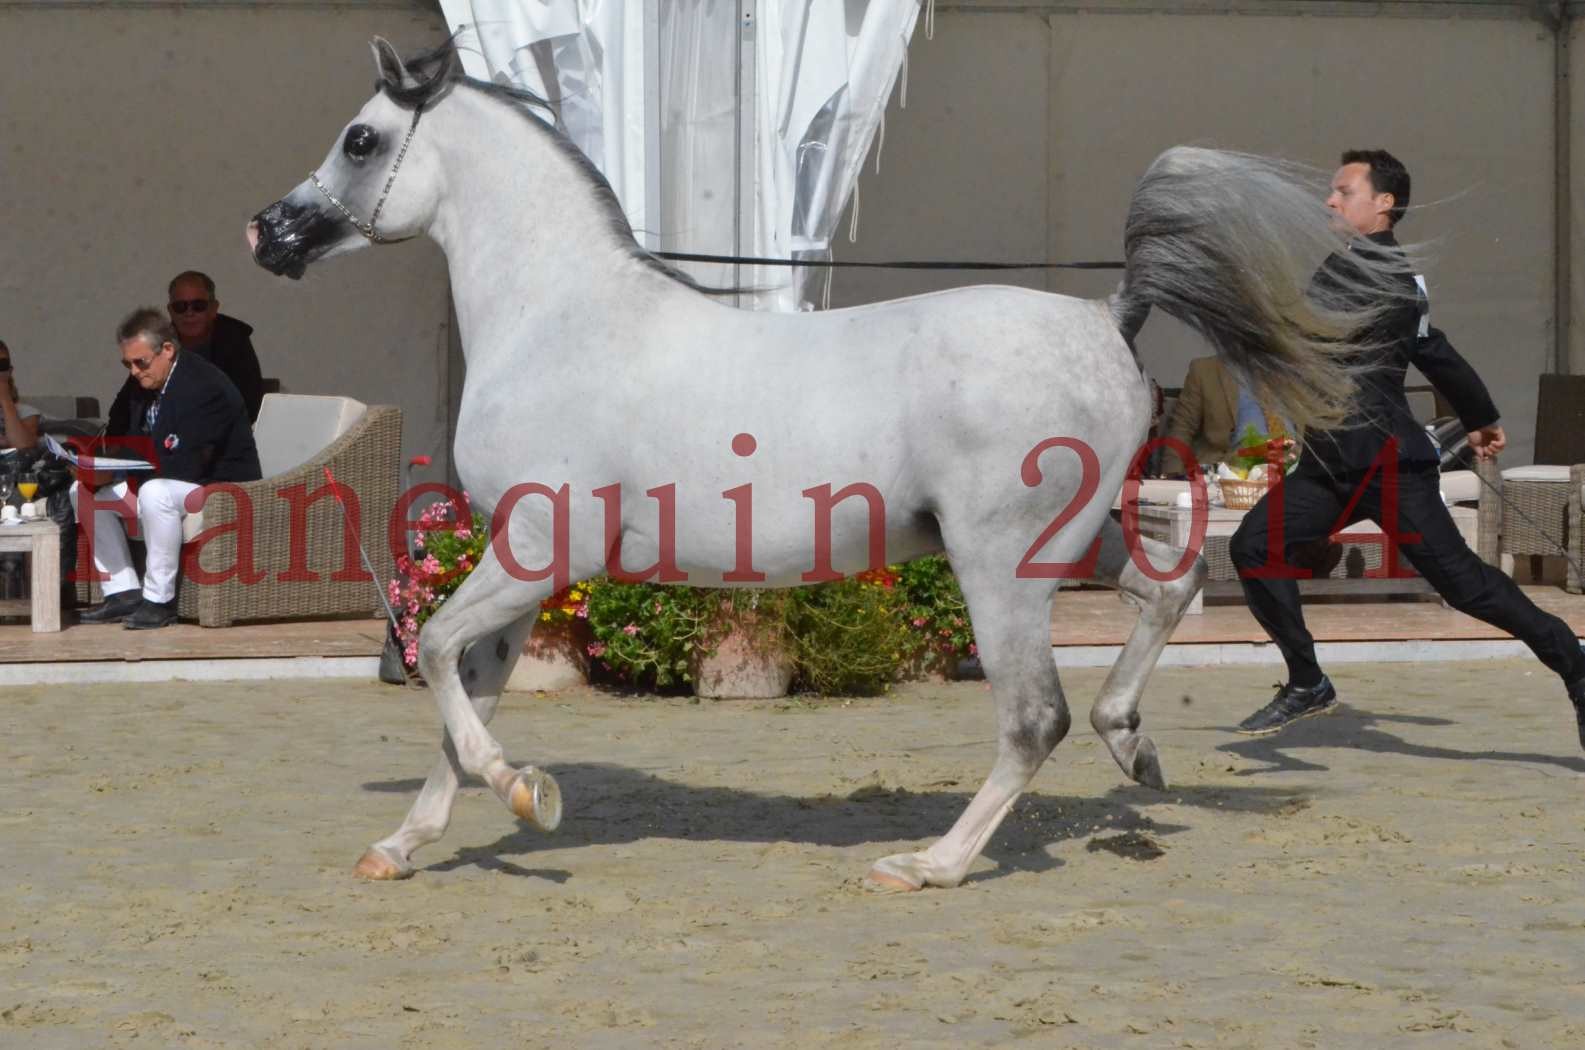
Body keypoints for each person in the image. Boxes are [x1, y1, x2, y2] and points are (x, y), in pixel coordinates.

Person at [1228, 148, 1585, 742]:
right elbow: (1430, 346)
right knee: (1254, 546)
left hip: (1385, 465)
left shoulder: (1382, 273)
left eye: (1344, 191)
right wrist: (1481, 414)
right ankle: (1307, 682)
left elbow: (1311, 329)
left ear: (1384, 203)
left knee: (1466, 587)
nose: (1330, 200)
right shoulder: (1364, 268)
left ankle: (1572, 660)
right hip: (1331, 463)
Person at [75, 308, 261, 630]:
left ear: (168, 350)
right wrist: (102, 470)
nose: (133, 371)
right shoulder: (145, 383)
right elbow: (135, 443)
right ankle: (122, 592)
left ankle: (159, 601)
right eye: (127, 364)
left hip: (221, 487)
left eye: (140, 362)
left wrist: (121, 472)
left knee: (154, 492)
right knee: (83, 493)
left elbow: (186, 466)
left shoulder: (204, 387)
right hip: (173, 477)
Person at [1160, 355, 1296, 477]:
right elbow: (1182, 426)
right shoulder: (1205, 370)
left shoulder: (1295, 369)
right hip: (1231, 474)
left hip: (1289, 472)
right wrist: (1172, 474)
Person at [164, 270, 266, 423]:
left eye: (198, 306)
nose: (189, 313)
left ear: (213, 309)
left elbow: (248, 405)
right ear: (171, 311)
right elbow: (127, 404)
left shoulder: (233, 340)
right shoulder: (158, 342)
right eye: (180, 306)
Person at [0, 339, 42, 451]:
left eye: (1, 365)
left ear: (9, 371)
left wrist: (4, 395)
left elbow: (23, 445)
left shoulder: (27, 412)